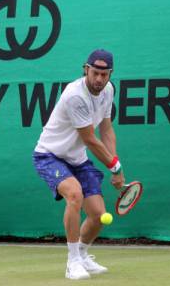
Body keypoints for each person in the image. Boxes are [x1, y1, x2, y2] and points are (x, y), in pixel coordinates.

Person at [32, 49, 125, 280]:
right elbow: (90, 139)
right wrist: (115, 168)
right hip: (49, 155)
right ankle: (72, 261)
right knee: (75, 195)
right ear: (86, 69)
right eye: (95, 73)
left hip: (77, 159)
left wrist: (115, 164)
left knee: (97, 214)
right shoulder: (75, 95)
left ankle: (82, 254)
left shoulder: (108, 91)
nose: (99, 79)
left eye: (105, 75)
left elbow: (106, 129)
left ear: (110, 74)